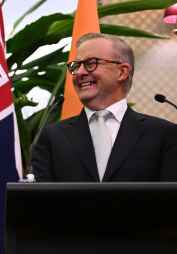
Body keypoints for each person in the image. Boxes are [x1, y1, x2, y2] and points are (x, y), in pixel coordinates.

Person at [31, 33, 177, 182]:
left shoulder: (164, 135)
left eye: (91, 63)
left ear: (122, 72)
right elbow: (41, 200)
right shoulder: (51, 137)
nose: (80, 72)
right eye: (76, 66)